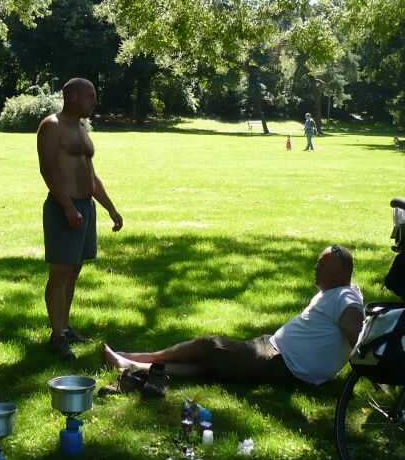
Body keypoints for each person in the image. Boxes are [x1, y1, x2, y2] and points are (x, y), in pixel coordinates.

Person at [104, 246, 364, 387]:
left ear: (341, 271)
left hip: (278, 360)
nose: (316, 268)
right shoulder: (342, 292)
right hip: (276, 354)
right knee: (211, 365)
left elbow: (358, 340)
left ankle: (139, 359)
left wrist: (373, 376)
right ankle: (134, 364)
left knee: (209, 345)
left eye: (322, 264)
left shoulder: (344, 299)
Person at [39, 78, 124, 361]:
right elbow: (49, 170)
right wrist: (67, 206)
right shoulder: (52, 125)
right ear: (73, 96)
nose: (95, 101)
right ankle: (57, 337)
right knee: (59, 273)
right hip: (65, 208)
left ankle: (65, 328)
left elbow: (91, 175)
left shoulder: (81, 129)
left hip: (85, 208)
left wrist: (111, 208)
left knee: (74, 270)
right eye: (91, 96)